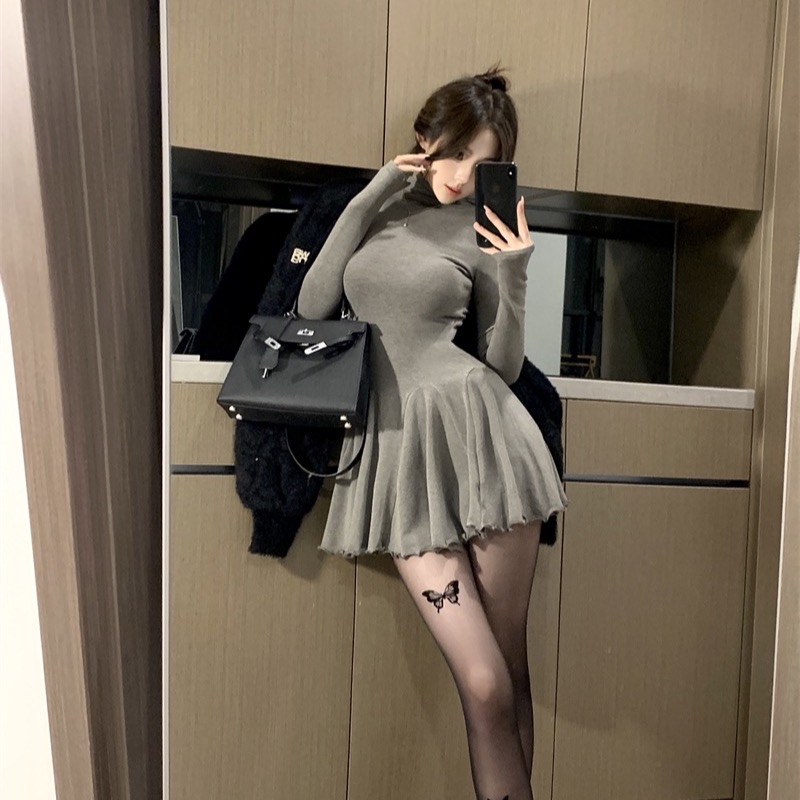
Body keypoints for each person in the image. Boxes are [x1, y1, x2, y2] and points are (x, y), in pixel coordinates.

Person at [297, 68, 567, 800]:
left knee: (506, 671)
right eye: (456, 152)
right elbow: (313, 306)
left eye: (484, 164)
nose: (463, 175)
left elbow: (502, 364)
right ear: (426, 138)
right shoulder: (376, 211)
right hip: (397, 460)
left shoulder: (483, 230)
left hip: (488, 443)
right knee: (482, 681)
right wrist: (374, 192)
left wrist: (513, 272)